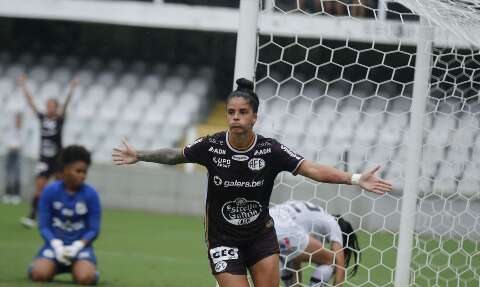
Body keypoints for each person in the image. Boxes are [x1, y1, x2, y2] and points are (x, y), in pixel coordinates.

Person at [112, 78, 392, 287]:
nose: (236, 117)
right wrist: (140, 154)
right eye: (231, 112)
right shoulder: (212, 146)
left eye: (242, 112)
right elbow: (176, 155)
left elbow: (312, 169)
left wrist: (355, 178)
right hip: (223, 240)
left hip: (261, 239)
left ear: (254, 117)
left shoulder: (270, 150)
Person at [28, 145, 101, 285]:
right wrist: (56, 245)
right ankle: (39, 266)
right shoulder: (50, 192)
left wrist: (77, 246)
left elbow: (94, 230)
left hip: (80, 249)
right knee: (39, 274)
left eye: (85, 172)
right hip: (54, 247)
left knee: (85, 278)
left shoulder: (91, 194)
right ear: (66, 170)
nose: (83, 175)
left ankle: (90, 271)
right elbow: (44, 226)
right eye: (78, 171)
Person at [18, 74, 79, 228]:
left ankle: (64, 218)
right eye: (48, 106)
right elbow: (31, 103)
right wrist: (23, 85)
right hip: (44, 159)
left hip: (58, 160)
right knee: (40, 187)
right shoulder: (42, 118)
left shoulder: (59, 120)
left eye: (52, 106)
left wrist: (72, 90)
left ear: (56, 108)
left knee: (62, 189)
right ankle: (32, 216)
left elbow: (66, 106)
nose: (49, 108)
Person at [270, 200, 360, 286]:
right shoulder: (333, 224)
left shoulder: (316, 216)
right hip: (285, 228)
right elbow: (340, 264)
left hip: (266, 222)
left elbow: (296, 255)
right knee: (332, 261)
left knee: (290, 255)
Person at [3, 112, 24, 205]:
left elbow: (23, 142)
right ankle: (8, 193)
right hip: (10, 152)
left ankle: (16, 194)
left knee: (17, 174)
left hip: (18, 153)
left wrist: (17, 146)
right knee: (9, 174)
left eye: (19, 119)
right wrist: (10, 146)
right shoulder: (11, 130)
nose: (17, 121)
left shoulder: (23, 130)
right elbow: (6, 139)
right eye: (16, 119)